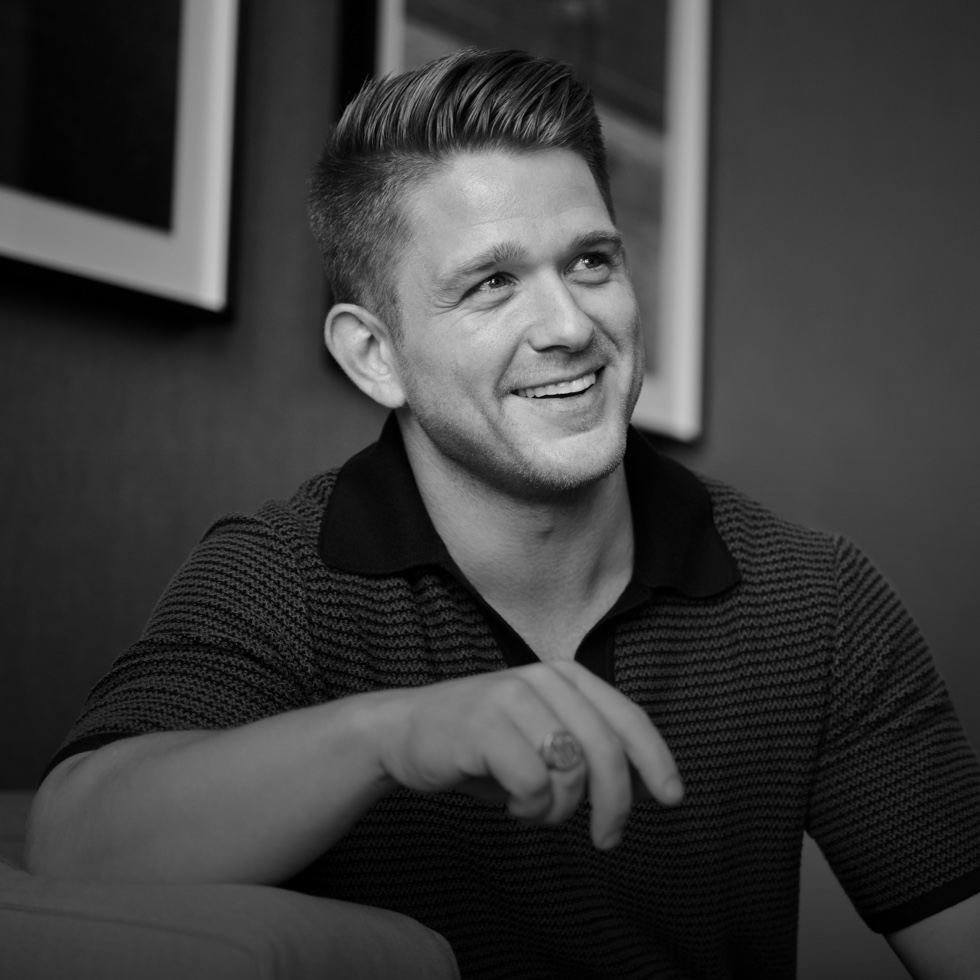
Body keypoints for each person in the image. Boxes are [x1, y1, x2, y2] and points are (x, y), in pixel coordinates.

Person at [26, 48, 980, 978]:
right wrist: (393, 734)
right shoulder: (280, 576)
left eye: (592, 260)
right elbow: (77, 846)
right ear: (375, 358)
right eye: (492, 283)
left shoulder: (817, 600)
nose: (569, 327)